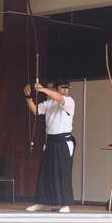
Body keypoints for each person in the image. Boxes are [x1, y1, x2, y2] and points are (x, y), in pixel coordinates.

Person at [24, 78, 75, 213]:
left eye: (67, 88)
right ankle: (41, 202)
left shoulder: (69, 101)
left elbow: (60, 99)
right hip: (51, 141)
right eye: (62, 88)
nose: (65, 90)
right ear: (55, 89)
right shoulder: (48, 103)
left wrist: (41, 89)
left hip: (63, 141)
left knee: (63, 173)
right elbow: (35, 110)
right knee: (45, 173)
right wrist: (28, 96)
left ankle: (65, 205)